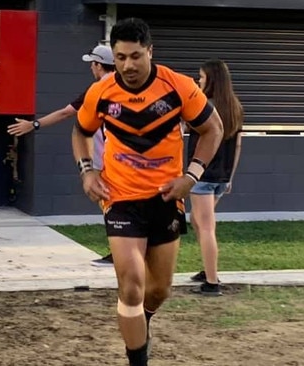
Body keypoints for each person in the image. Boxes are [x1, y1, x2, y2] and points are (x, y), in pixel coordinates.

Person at [72, 18, 223, 366]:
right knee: (132, 284)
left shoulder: (179, 87)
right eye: (121, 57)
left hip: (166, 199)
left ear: (150, 52)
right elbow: (80, 132)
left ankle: (140, 324)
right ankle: (137, 357)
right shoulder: (102, 91)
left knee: (158, 290)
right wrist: (87, 171)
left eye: (136, 56)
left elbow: (213, 129)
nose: (128, 65)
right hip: (120, 199)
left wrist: (191, 176)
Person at [7, 43, 116, 267]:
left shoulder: (98, 89)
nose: (91, 69)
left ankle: (118, 252)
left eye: (92, 64)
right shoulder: (122, 86)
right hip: (118, 155)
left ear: (98, 65)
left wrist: (33, 124)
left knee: (110, 203)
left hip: (106, 157)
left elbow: (66, 112)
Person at [188, 59, 244, 296]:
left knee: (206, 226)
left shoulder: (204, 107)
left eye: (201, 77)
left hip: (202, 175)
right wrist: (229, 178)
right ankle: (207, 269)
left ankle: (212, 282)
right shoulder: (235, 107)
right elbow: (238, 144)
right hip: (220, 177)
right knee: (198, 222)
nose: (198, 81)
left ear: (210, 79)